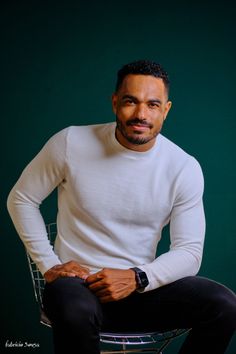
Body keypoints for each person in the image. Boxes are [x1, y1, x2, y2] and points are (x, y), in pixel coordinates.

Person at [7, 60, 236, 354]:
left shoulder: (183, 167)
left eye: (153, 104)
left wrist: (138, 277)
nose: (141, 114)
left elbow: (189, 252)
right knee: (73, 306)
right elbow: (22, 198)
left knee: (225, 305)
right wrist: (49, 266)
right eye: (131, 101)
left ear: (166, 110)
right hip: (78, 288)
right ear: (115, 102)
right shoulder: (70, 142)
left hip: (142, 292)